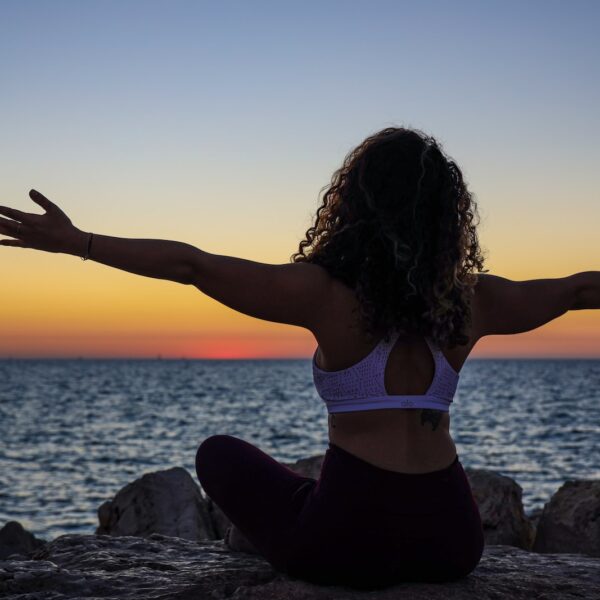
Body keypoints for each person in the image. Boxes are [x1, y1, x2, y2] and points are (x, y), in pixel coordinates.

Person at [0, 126, 598, 590]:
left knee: (219, 454)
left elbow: (192, 265)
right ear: (448, 219)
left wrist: (78, 242)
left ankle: (268, 536)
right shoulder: (475, 301)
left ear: (355, 206)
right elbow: (578, 289)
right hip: (452, 541)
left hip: (348, 545)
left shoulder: (324, 294)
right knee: (299, 488)